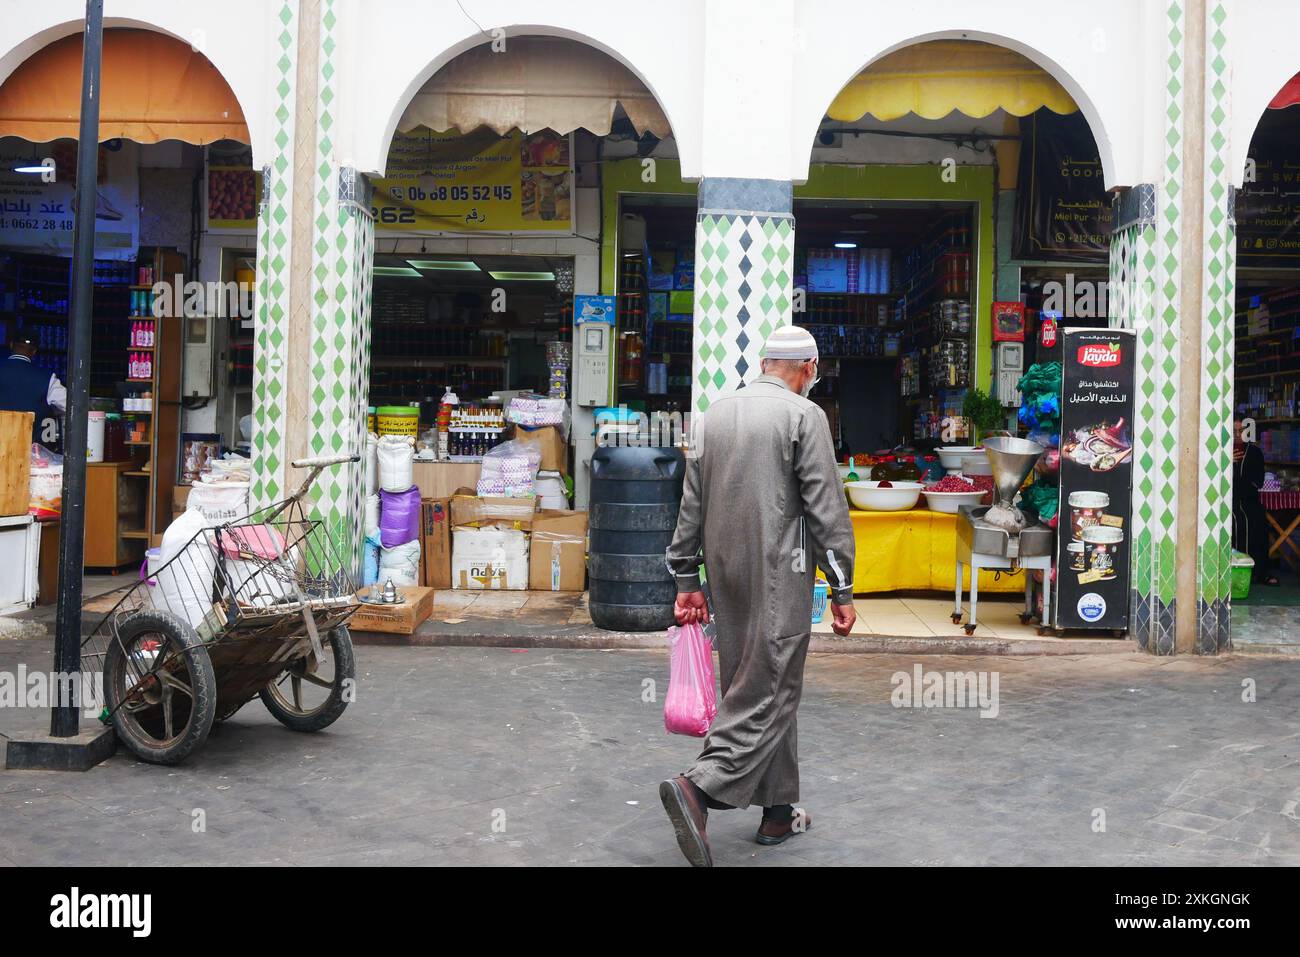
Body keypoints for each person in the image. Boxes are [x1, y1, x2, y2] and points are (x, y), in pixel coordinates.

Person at [659, 324, 856, 867]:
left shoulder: (712, 416)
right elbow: (825, 510)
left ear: (766, 362)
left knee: (762, 676)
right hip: (779, 573)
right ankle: (699, 787)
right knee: (769, 689)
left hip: (727, 576)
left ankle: (778, 810)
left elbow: (689, 509)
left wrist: (686, 580)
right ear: (808, 368)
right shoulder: (804, 415)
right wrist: (842, 586)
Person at [1232, 416, 1278, 586]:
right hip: (1229, 500)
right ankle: (1233, 572)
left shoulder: (1255, 452)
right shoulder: (1220, 452)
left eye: (1241, 431)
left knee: (1258, 519)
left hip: (1250, 500)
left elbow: (1256, 482)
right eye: (1234, 432)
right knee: (1235, 520)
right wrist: (1228, 463)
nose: (1238, 435)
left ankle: (1260, 572)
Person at [0, 337, 65, 445]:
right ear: (34, 351)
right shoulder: (47, 379)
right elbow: (73, 406)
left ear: (11, 345)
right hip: (31, 454)